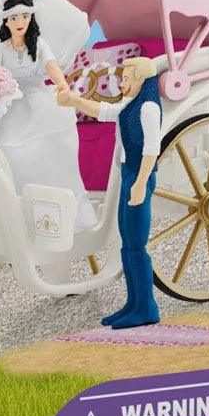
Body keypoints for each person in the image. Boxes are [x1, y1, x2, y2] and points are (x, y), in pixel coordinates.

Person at [0, 0, 96, 230]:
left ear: (31, 18)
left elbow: (51, 66)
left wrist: (62, 85)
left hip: (39, 100)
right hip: (10, 104)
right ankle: (14, 214)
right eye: (14, 18)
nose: (20, 22)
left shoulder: (39, 45)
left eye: (25, 16)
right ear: (6, 21)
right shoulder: (1, 50)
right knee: (10, 151)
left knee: (52, 147)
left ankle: (58, 210)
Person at [59, 57, 162, 327]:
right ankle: (134, 303)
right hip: (129, 172)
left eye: (127, 79)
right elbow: (104, 111)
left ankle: (147, 307)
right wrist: (75, 100)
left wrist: (140, 183)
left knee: (136, 243)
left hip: (139, 175)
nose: (122, 84)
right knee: (127, 242)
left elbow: (152, 148)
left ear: (141, 79)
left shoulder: (149, 108)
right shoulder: (130, 104)